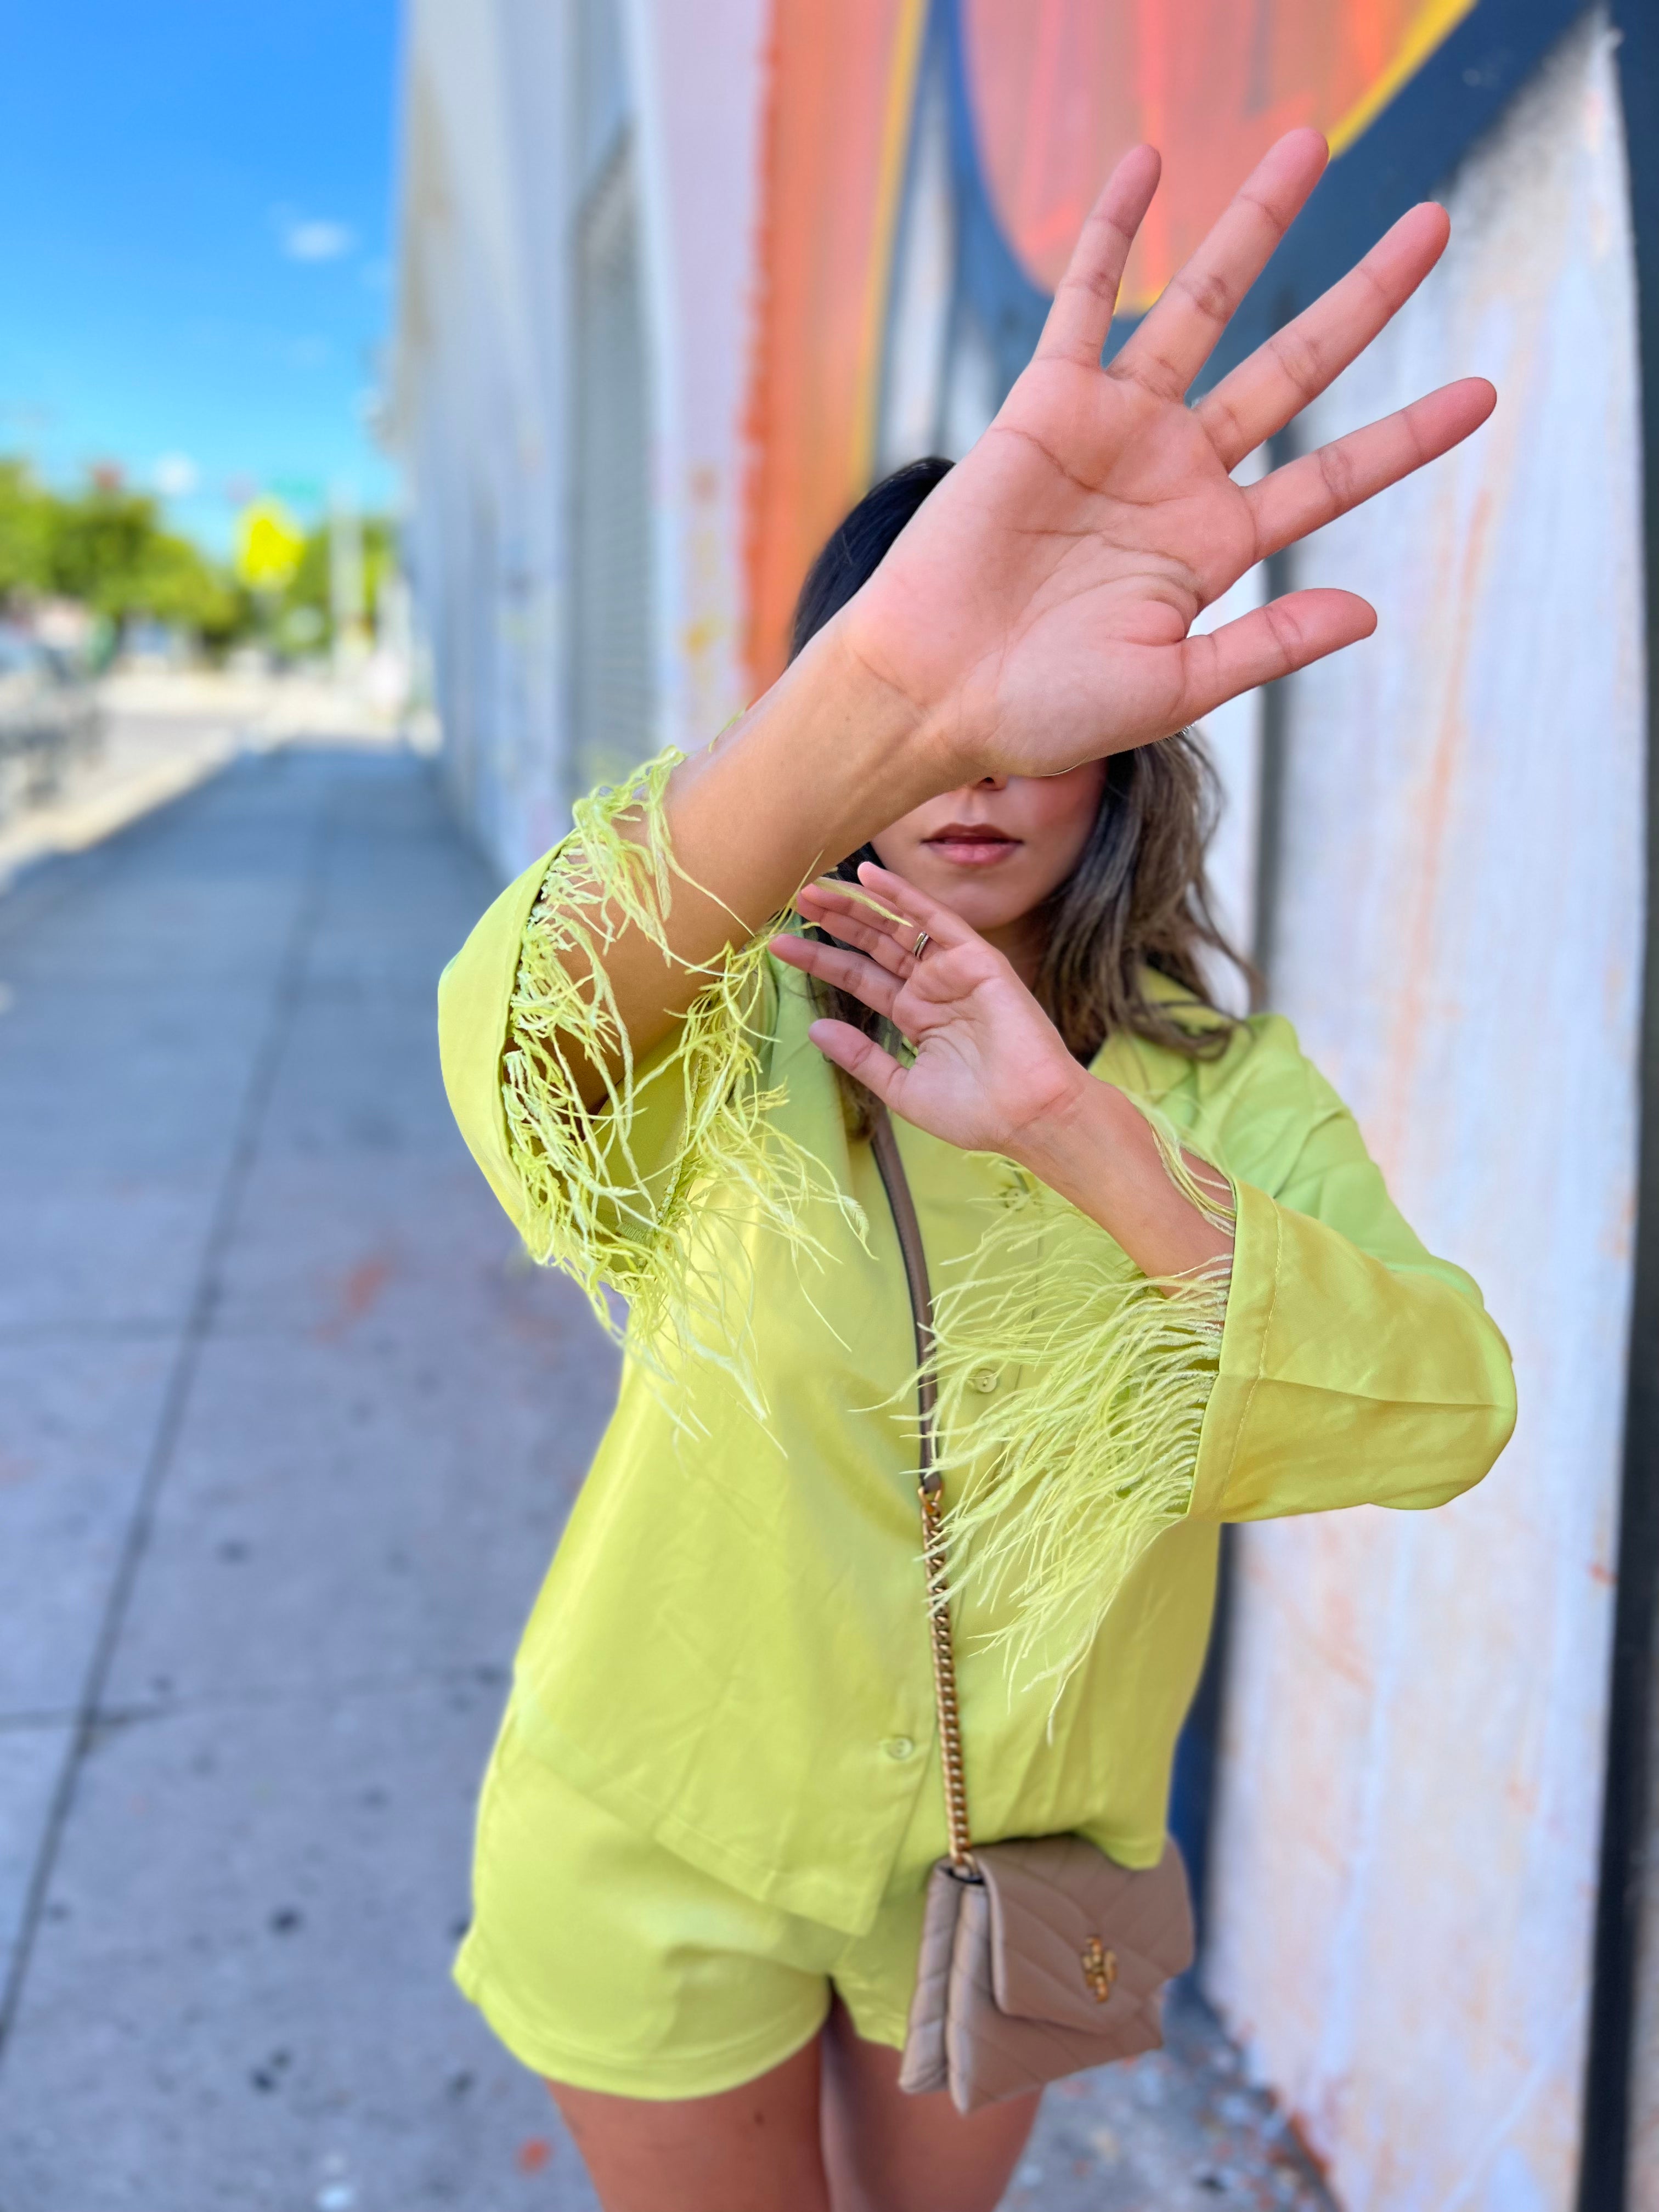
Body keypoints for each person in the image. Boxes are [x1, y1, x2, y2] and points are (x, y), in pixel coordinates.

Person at [437, 131, 1515, 2212]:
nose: (988, 773)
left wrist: (1070, 1126)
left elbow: (1447, 1404)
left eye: (1034, 708)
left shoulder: (1217, 1085)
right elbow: (526, 1058)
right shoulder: (727, 1004)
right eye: (935, 708)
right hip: (662, 1820)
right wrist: (875, 702)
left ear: (1126, 743)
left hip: (1021, 1865)